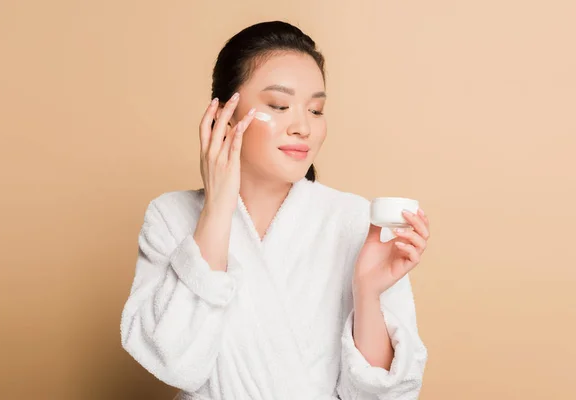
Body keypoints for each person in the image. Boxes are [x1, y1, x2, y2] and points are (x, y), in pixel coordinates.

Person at [120, 20, 430, 400]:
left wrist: (367, 291)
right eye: (280, 105)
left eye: (316, 110)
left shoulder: (353, 220)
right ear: (224, 114)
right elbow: (173, 363)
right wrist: (217, 210)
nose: (303, 127)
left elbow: (382, 396)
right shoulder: (170, 216)